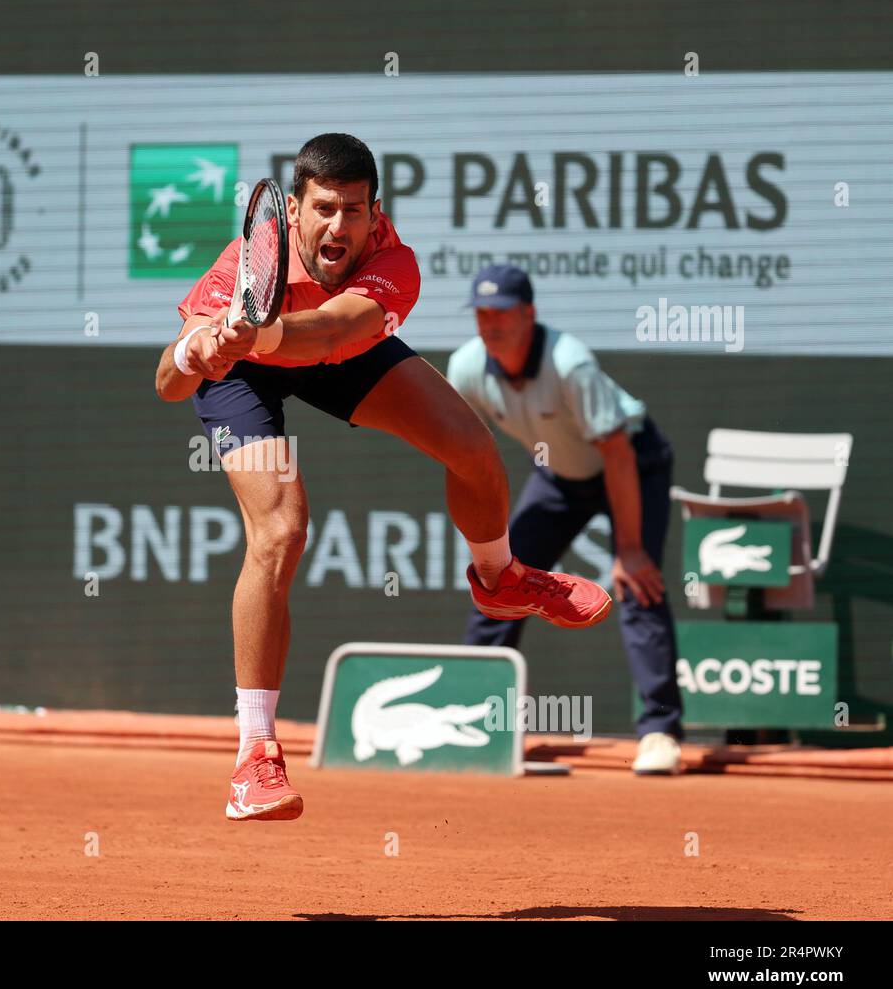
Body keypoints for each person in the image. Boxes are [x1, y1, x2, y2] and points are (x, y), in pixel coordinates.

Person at [154, 134, 612, 822]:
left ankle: (501, 577)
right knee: (281, 532)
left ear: (376, 214)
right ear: (296, 212)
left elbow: (335, 334)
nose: (340, 226)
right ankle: (255, 756)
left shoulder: (393, 263)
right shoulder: (243, 267)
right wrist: (202, 347)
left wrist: (264, 331)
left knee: (473, 449)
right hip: (243, 374)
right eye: (326, 209)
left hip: (319, 342)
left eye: (356, 211)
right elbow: (167, 382)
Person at [446, 263, 683, 774]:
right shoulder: (466, 368)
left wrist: (630, 547)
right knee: (500, 581)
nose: (490, 324)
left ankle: (660, 732)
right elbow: (459, 449)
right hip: (558, 475)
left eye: (502, 312)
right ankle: (473, 720)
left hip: (630, 465)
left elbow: (616, 453)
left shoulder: (570, 363)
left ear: (529, 314)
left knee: (638, 582)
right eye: (482, 313)